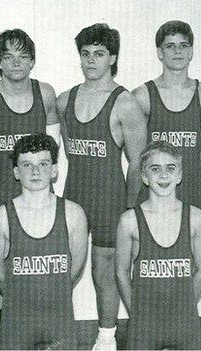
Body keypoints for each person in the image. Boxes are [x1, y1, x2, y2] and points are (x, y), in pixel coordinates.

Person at [56, 23, 147, 350]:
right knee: (60, 265)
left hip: (111, 199)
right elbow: (69, 151)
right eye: (85, 53)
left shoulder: (125, 103)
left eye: (99, 54)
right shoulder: (65, 100)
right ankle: (57, 333)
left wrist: (130, 209)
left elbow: (138, 163)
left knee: (103, 272)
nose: (91, 60)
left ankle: (106, 337)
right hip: (74, 196)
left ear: (113, 58)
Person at [0, 30, 60, 339]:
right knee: (2, 266)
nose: (16, 63)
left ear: (32, 61)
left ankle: (42, 336)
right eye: (9, 56)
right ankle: (3, 337)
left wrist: (41, 182)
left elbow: (54, 148)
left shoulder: (46, 93)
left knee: (40, 265)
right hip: (1, 194)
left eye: (23, 56)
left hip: (39, 197)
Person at [0, 134, 87, 349]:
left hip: (59, 320)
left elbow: (75, 269)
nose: (35, 171)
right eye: (27, 165)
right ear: (16, 172)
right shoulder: (0, 218)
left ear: (54, 170)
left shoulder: (74, 214)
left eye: (43, 163)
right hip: (17, 323)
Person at [115, 140, 201, 350]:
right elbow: (121, 272)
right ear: (144, 177)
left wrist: (186, 308)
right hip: (145, 323)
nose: (163, 176)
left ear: (180, 175)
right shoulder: (129, 220)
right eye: (155, 169)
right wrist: (137, 313)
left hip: (185, 323)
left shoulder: (195, 218)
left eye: (170, 168)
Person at [132, 20, 201, 209]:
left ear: (191, 51)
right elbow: (137, 155)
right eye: (170, 46)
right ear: (160, 53)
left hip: (189, 190)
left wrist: (183, 177)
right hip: (151, 193)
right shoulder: (143, 96)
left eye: (183, 45)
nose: (178, 51)